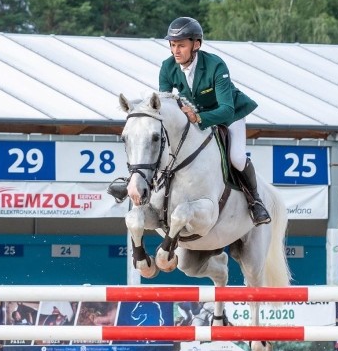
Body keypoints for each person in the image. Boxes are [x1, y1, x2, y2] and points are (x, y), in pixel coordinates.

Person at [108, 17, 270, 226]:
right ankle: (136, 180)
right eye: (173, 45)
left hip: (229, 115)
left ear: (196, 45)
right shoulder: (168, 67)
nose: (176, 51)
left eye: (181, 45)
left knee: (237, 157)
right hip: (194, 114)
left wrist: (199, 117)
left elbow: (226, 109)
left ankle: (255, 200)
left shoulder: (215, 65)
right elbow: (164, 104)